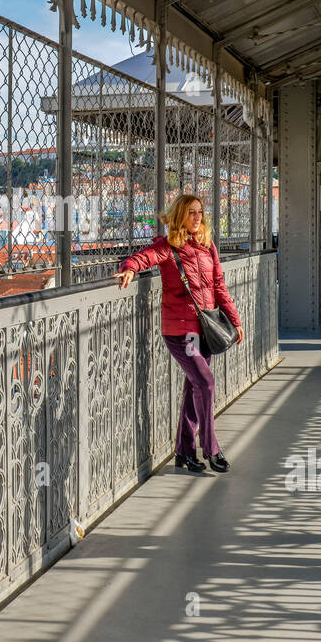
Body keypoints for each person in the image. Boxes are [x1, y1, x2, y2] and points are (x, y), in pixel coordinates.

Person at [116, 193, 244, 473]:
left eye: (200, 212)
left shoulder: (207, 245)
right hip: (181, 333)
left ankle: (184, 452)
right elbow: (143, 257)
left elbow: (219, 286)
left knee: (193, 388)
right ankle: (210, 448)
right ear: (179, 216)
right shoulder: (167, 246)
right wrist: (128, 268)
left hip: (205, 329)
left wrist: (235, 322)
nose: (197, 218)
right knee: (206, 383)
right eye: (191, 213)